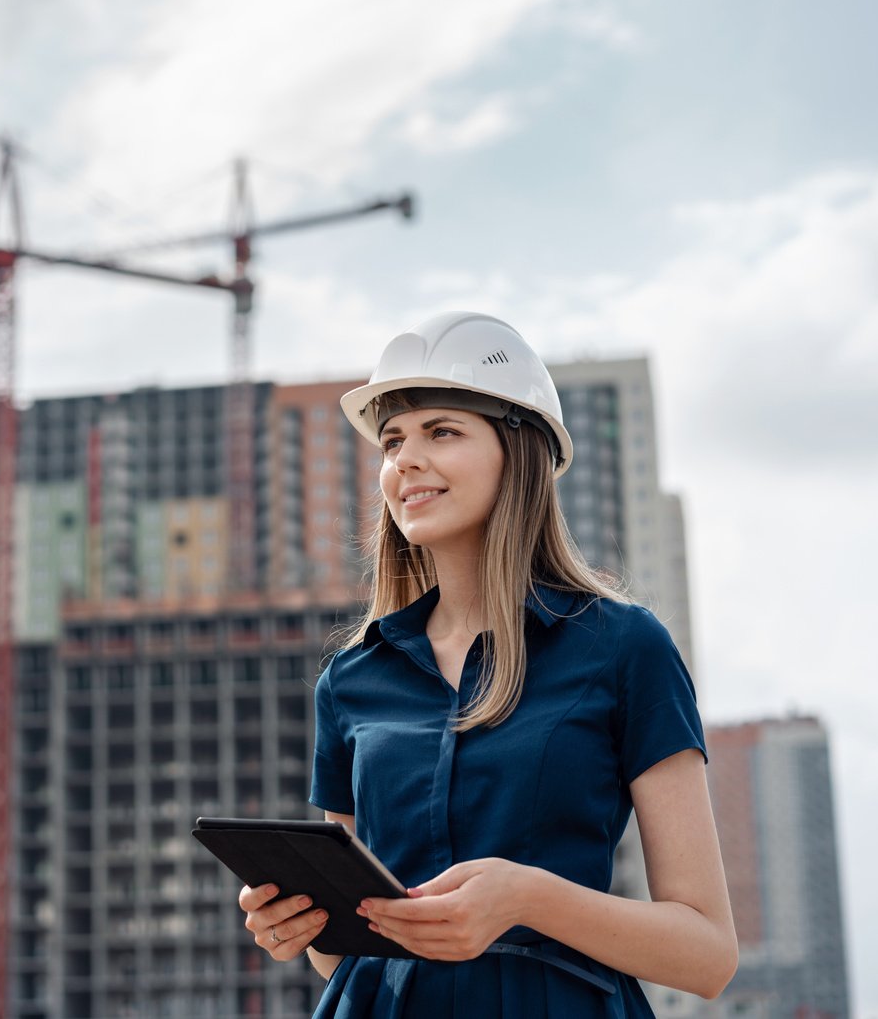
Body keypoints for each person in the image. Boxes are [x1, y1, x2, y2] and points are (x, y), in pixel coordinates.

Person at [236, 312, 737, 1017]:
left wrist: (527, 897)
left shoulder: (625, 647)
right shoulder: (349, 681)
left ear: (517, 450)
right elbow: (345, 953)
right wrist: (302, 921)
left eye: (441, 430)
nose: (405, 458)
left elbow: (707, 954)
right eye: (391, 440)